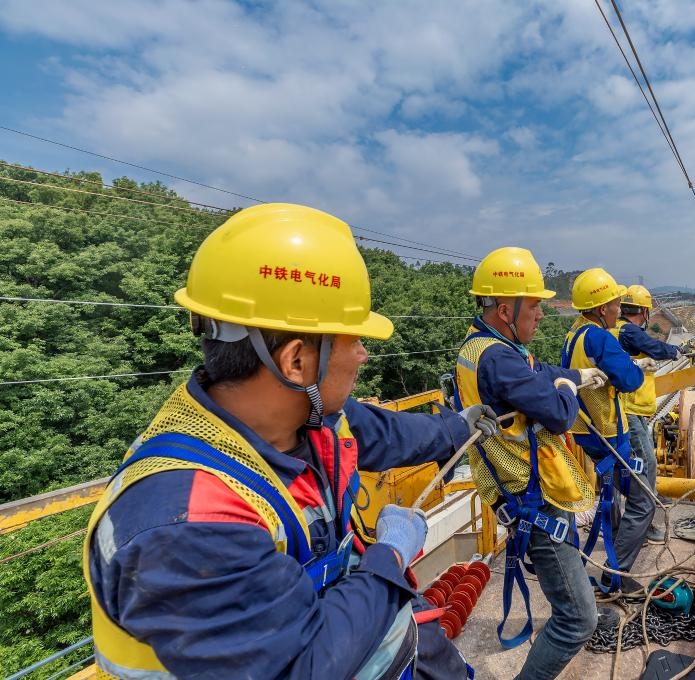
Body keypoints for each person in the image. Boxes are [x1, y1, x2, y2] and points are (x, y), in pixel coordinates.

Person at [83, 203, 487, 679]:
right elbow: (305, 666)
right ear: (297, 362)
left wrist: (460, 426)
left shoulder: (301, 418)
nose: (363, 354)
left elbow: (390, 432)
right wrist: (390, 556)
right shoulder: (187, 525)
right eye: (353, 340)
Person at [453, 246, 605, 680]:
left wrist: (572, 375)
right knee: (577, 620)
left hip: (524, 493)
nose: (540, 314)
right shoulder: (500, 359)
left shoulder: (484, 346)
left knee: (572, 599)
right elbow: (558, 414)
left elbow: (540, 372)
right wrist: (570, 390)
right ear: (506, 310)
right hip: (534, 500)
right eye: (534, 305)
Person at [561, 268, 647, 593]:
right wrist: (634, 369)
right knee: (643, 500)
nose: (618, 310)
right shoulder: (599, 337)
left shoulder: (574, 334)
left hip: (586, 430)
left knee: (611, 494)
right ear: (601, 308)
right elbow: (630, 380)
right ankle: (616, 574)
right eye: (615, 304)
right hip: (608, 432)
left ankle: (614, 561)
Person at [613, 284, 682, 544]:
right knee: (646, 464)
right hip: (629, 409)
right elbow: (652, 346)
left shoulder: (617, 329)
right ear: (644, 311)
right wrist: (676, 351)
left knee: (632, 467)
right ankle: (642, 526)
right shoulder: (628, 331)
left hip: (629, 409)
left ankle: (630, 519)